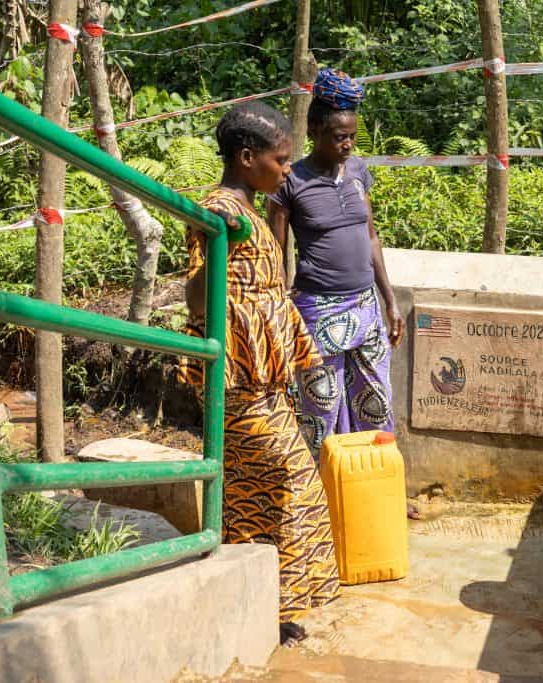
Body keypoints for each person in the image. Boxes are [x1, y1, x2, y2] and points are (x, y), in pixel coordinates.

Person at [180, 101, 339, 647]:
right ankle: (279, 605)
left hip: (263, 380)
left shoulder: (249, 207)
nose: (288, 170)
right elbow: (197, 298)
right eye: (282, 160)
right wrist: (218, 244)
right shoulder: (218, 212)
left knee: (251, 489)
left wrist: (303, 357)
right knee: (292, 479)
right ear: (248, 158)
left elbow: (270, 295)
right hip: (238, 382)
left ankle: (257, 602)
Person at [267, 68, 420, 519]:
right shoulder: (289, 182)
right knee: (320, 408)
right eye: (337, 136)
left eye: (352, 136)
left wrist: (390, 301)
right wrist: (280, 311)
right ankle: (317, 503)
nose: (346, 144)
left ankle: (382, 493)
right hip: (317, 310)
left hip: (366, 307)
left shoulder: (357, 172)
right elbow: (278, 254)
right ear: (313, 131)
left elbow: (370, 237)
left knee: (376, 401)